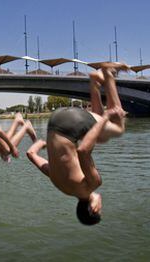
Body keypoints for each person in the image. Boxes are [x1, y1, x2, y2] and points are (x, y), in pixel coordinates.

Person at [26, 62, 128, 225]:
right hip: (54, 123)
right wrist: (41, 143)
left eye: (100, 209)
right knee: (101, 137)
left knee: (118, 127)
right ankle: (94, 82)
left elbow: (82, 151)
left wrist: (107, 116)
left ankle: (108, 74)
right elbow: (31, 154)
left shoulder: (91, 185)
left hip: (70, 124)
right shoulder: (61, 185)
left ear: (94, 208)